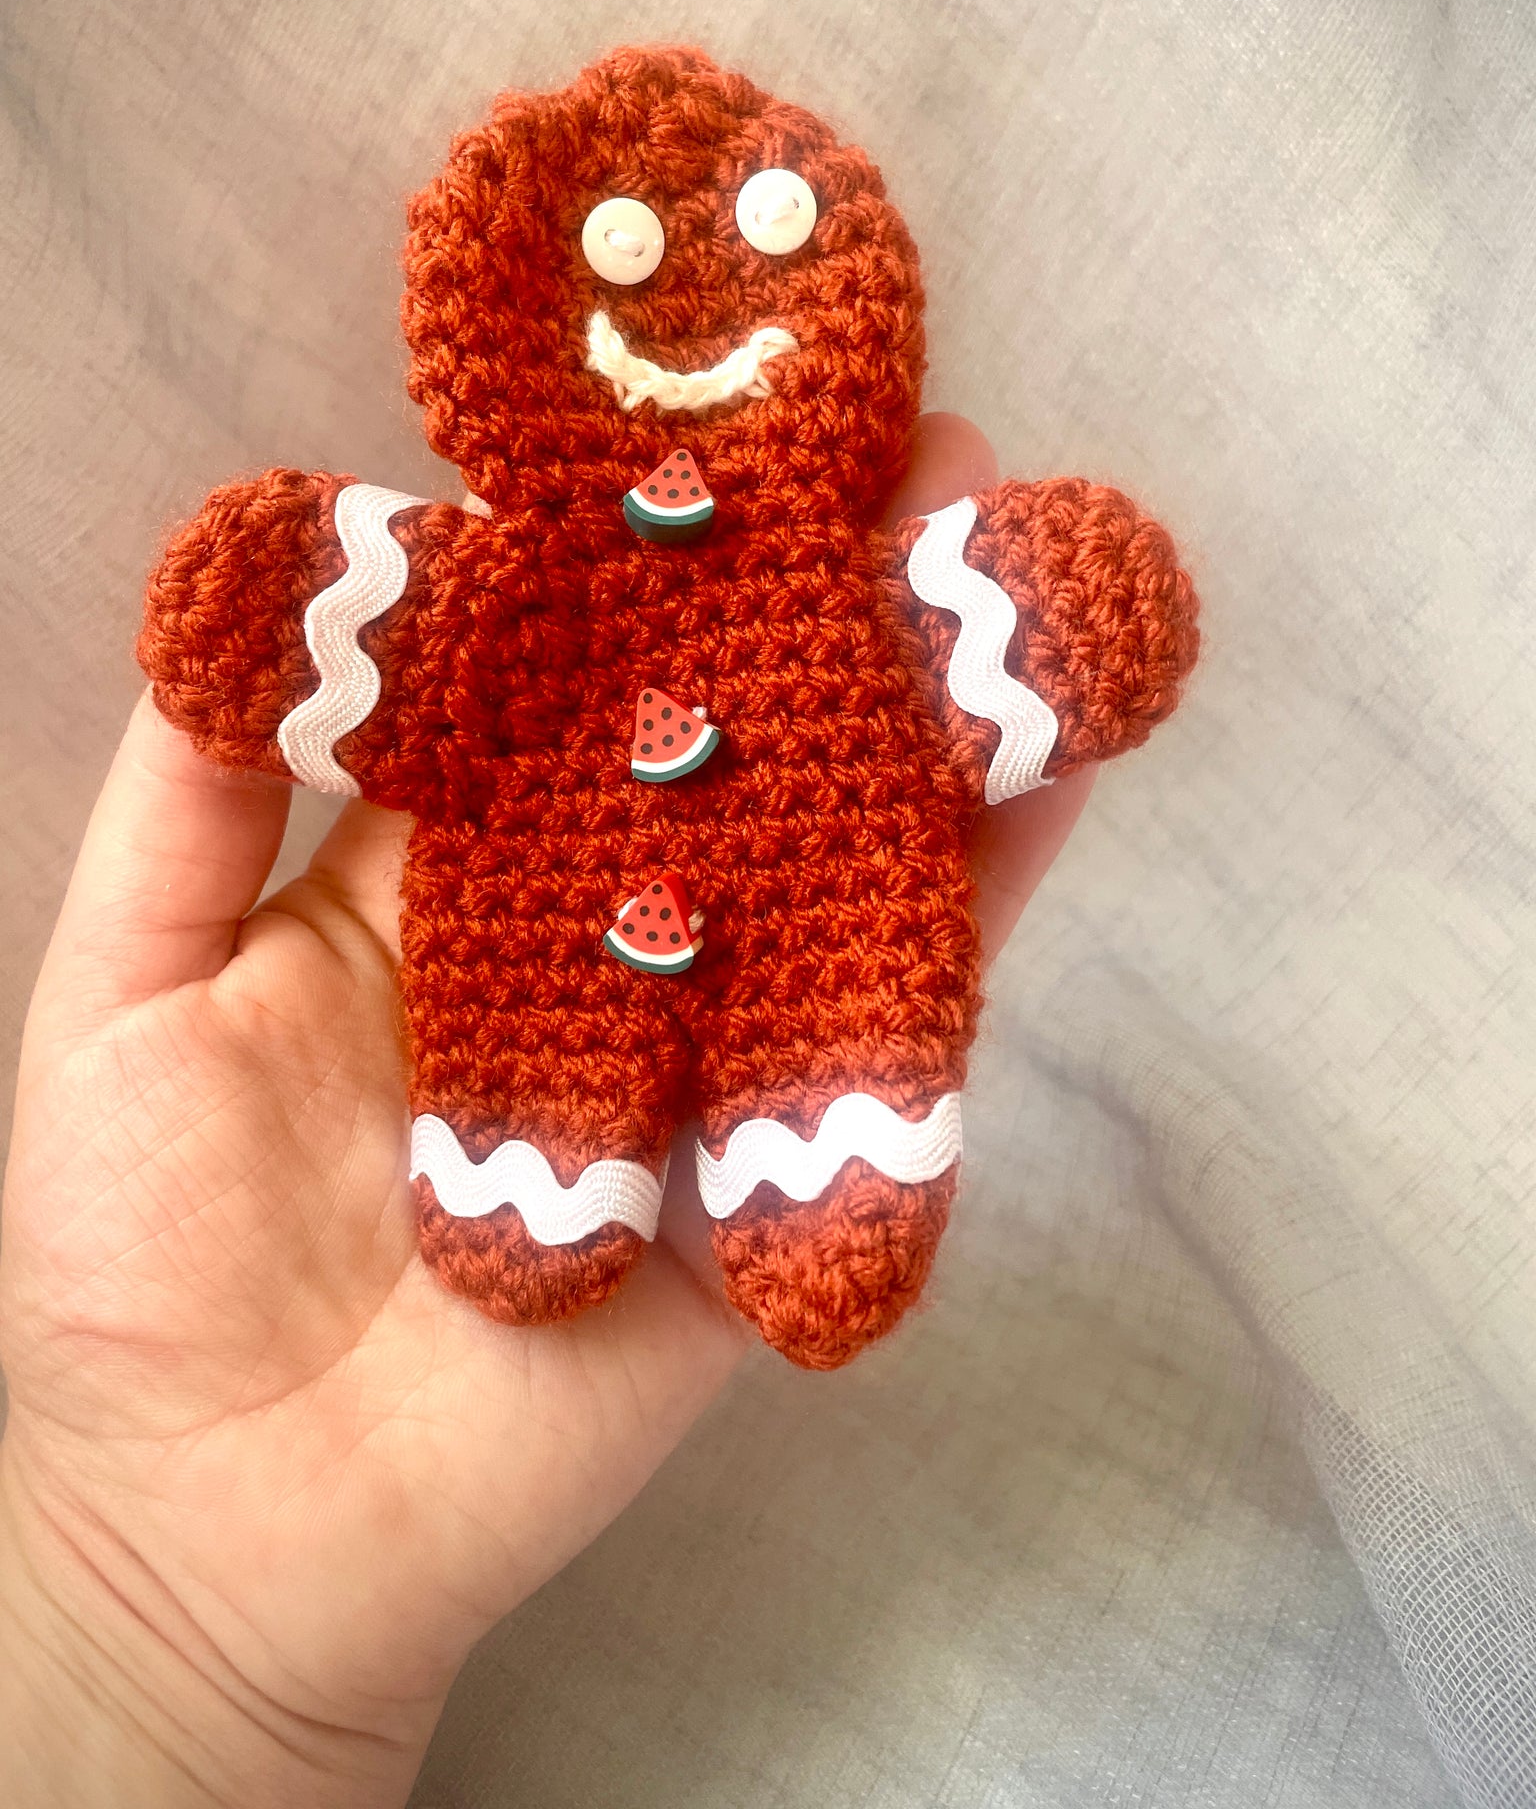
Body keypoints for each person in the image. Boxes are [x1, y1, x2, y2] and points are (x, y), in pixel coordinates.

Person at [0, 415, 1094, 1808]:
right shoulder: (514, 613)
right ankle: (536, 1170)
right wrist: (283, 594)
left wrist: (1033, 603)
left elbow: (1036, 614)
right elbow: (323, 614)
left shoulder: (838, 614)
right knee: (531, 1081)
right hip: (532, 932)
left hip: (818, 900)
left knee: (836, 1039)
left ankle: (820, 1150)